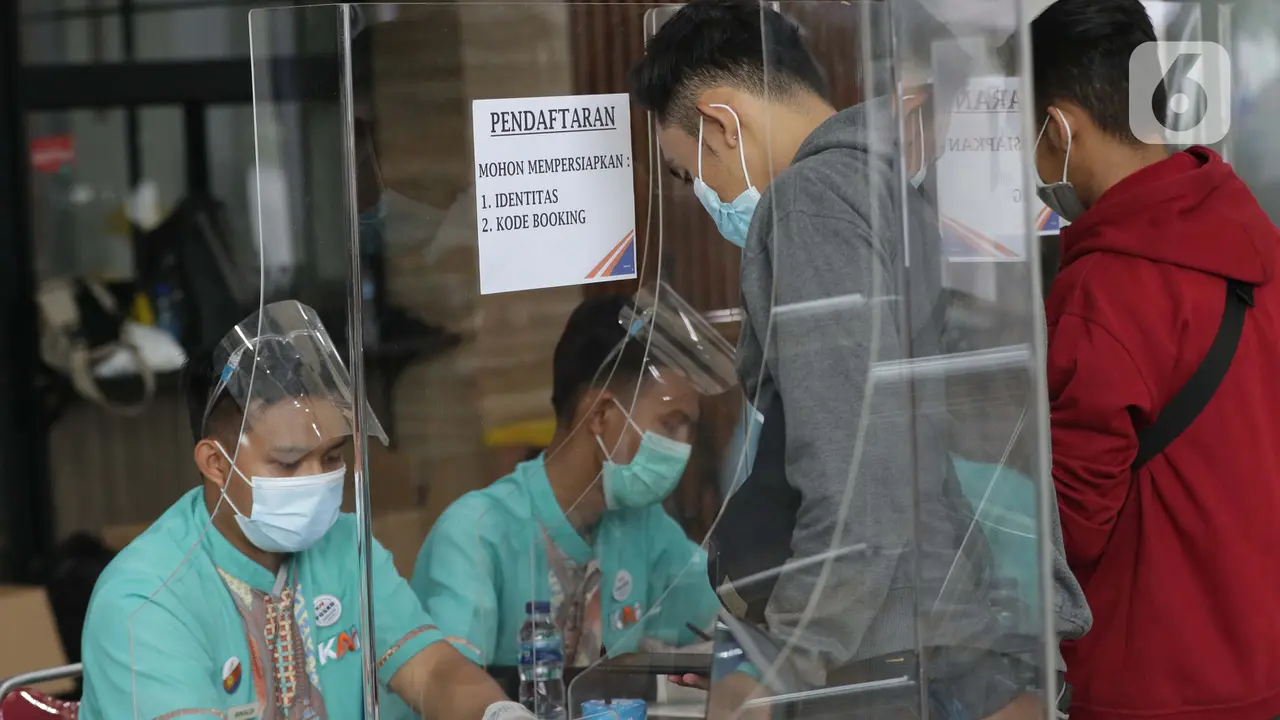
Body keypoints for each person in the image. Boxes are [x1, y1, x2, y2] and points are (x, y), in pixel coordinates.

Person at [629, 0, 1090, 717]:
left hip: (876, 664)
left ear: (722, 124)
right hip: (952, 640)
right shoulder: (899, 191)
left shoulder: (810, 204)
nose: (703, 197)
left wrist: (780, 667)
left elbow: (858, 484)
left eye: (690, 174)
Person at [78, 300, 532, 720]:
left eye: (332, 457)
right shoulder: (146, 602)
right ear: (217, 464)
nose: (318, 480)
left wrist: (495, 712)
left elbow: (432, 672)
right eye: (290, 462)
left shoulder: (345, 547)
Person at [1031, 1, 1280, 718]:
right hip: (1259, 669)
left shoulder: (1104, 290)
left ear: (1059, 126)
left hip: (1155, 688)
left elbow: (1071, 530)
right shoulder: (1252, 237)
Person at [408, 292, 725, 670]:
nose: (683, 447)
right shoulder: (477, 536)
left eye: (689, 429)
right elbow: (451, 694)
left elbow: (732, 611)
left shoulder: (643, 529)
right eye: (671, 424)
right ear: (601, 414)